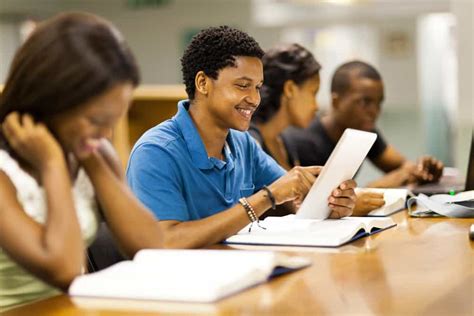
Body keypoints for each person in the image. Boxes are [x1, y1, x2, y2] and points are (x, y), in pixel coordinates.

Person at [126, 26, 357, 250]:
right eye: (243, 86)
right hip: (180, 285)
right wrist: (266, 197)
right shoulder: (156, 152)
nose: (254, 99)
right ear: (203, 83)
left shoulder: (242, 144)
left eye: (257, 87)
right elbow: (166, 241)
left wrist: (331, 204)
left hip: (236, 275)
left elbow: (294, 199)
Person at [0, 12, 164, 310]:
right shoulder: (5, 172)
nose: (106, 133)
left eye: (113, 119)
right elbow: (64, 269)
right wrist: (52, 164)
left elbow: (149, 246)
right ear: (50, 100)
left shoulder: (92, 151)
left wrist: (93, 160)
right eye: (95, 119)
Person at [250, 45, 385, 215]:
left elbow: (299, 207)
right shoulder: (251, 142)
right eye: (313, 93)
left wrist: (338, 203)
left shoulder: (285, 143)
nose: (316, 106)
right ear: (290, 89)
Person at [283, 61, 444, 192]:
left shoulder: (363, 132)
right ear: (336, 101)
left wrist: (424, 170)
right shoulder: (304, 141)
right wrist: (388, 182)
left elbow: (405, 167)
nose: (374, 111)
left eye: (379, 102)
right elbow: (323, 204)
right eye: (364, 102)